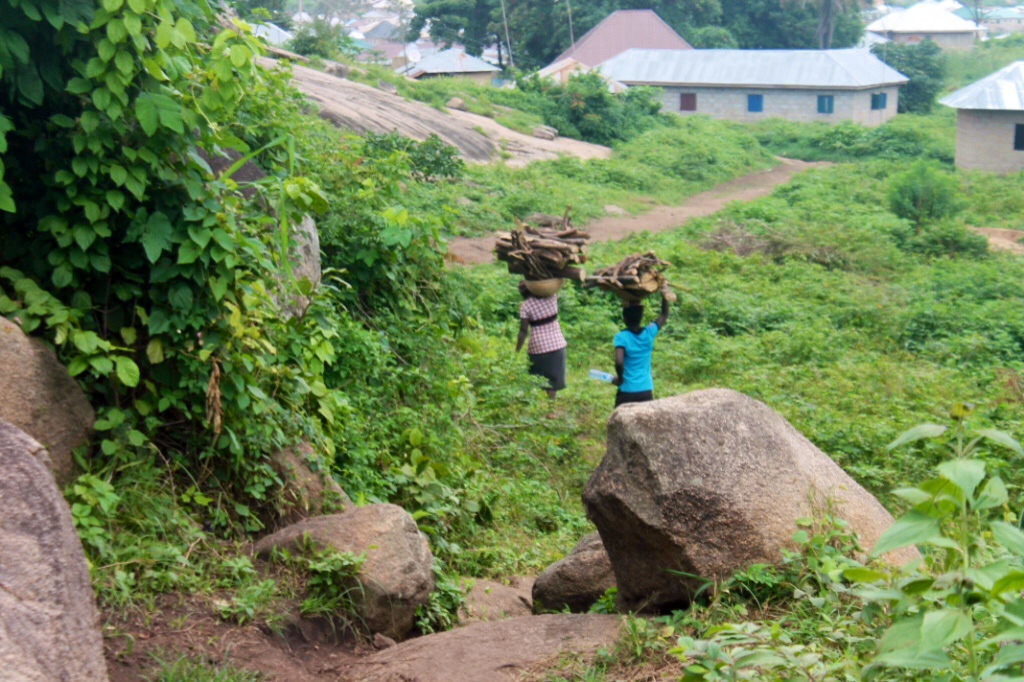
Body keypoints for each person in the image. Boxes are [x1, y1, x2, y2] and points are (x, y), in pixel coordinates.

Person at [612, 293, 670, 407]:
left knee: (619, 422)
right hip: (645, 390)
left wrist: (620, 378)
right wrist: (664, 295)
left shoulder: (621, 337)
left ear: (624, 319)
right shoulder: (649, 332)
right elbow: (664, 314)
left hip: (626, 391)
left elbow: (619, 361)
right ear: (641, 317)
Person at [516, 281, 567, 400]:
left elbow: (523, 331)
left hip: (538, 346)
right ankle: (550, 406)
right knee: (553, 379)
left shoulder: (526, 305)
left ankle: (539, 405)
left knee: (537, 378)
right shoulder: (551, 298)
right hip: (557, 343)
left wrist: (517, 350)